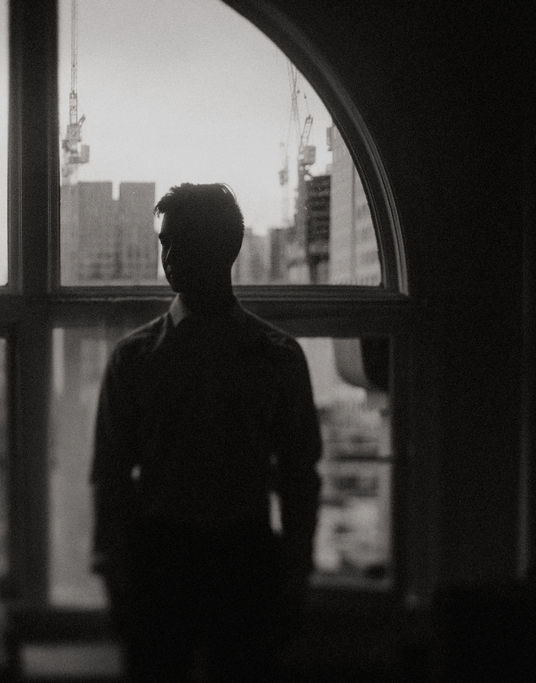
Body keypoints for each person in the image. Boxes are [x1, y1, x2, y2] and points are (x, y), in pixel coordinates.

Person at [90, 183, 321, 681]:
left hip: (228, 557)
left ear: (224, 248)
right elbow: (108, 475)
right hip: (180, 556)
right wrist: (114, 571)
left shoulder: (145, 357)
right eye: (164, 241)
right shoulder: (270, 355)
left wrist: (297, 572)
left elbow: (301, 472)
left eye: (181, 241)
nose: (168, 255)